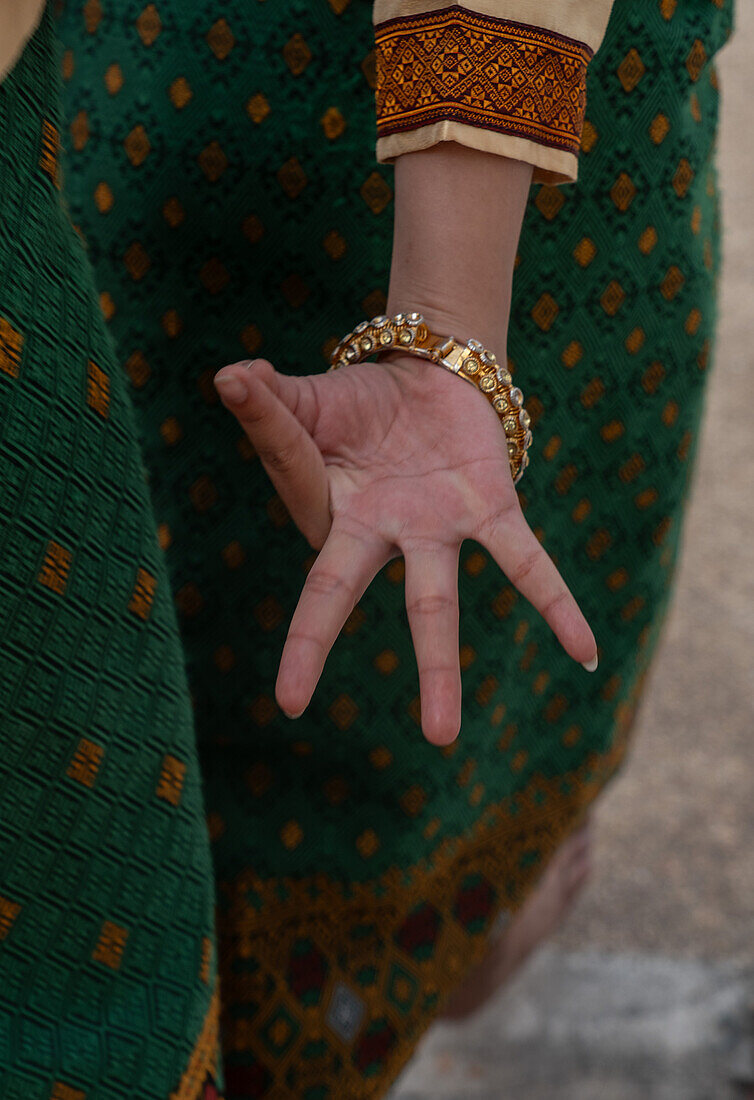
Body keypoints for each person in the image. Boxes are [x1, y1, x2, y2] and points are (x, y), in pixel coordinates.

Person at [0, 1, 733, 1097]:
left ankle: (436, 956)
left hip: (405, 147)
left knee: (395, 703)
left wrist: (445, 320)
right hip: (128, 133)